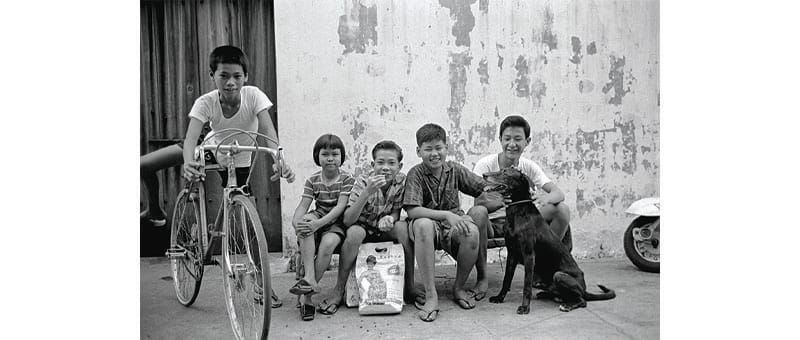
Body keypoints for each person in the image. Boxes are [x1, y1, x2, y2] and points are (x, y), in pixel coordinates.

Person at [175, 45, 296, 307]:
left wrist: (279, 161)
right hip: (214, 150)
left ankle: (262, 285)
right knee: (193, 177)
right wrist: (187, 162)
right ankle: (188, 235)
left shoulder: (254, 97)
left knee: (249, 217)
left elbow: (269, 134)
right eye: (224, 76)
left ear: (246, 77)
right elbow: (190, 139)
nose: (231, 82)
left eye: (237, 76)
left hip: (241, 155)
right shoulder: (205, 102)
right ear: (213, 76)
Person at [316, 140, 422, 315]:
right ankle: (338, 290)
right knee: (355, 233)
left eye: (391, 163)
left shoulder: (401, 181)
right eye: (380, 163)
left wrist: (390, 219)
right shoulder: (362, 182)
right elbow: (348, 220)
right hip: (363, 228)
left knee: (403, 228)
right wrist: (367, 193)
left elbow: (396, 211)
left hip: (384, 228)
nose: (385, 168)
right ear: (373, 164)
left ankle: (409, 287)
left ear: (400, 166)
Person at [403, 123, 491, 322]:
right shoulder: (415, 173)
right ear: (419, 151)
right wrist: (445, 215)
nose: (434, 154)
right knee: (423, 224)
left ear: (447, 148)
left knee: (472, 232)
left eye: (438, 148)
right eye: (428, 149)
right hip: (425, 228)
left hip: (451, 224)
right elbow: (412, 210)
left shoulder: (454, 170)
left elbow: (482, 188)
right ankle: (431, 294)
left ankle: (459, 287)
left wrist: (506, 190)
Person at [473, 115, 572, 285]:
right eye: (507, 139)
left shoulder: (528, 166)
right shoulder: (486, 165)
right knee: (478, 213)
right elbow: (478, 204)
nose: (512, 144)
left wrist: (544, 197)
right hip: (495, 224)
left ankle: (541, 270)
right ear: (500, 140)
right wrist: (500, 201)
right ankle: (482, 278)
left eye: (518, 139)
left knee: (561, 210)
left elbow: (558, 193)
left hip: (523, 222)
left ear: (527, 141)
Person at [290, 133, 355, 321]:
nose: (330, 159)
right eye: (325, 154)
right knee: (305, 223)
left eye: (335, 154)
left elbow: (340, 207)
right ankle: (309, 281)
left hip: (337, 222)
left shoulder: (346, 179)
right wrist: (297, 224)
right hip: (318, 216)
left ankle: (306, 295)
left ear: (341, 157)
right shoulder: (313, 180)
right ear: (317, 157)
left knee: (328, 243)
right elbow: (303, 206)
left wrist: (318, 224)